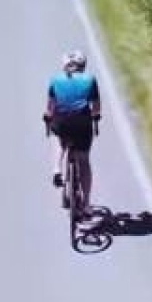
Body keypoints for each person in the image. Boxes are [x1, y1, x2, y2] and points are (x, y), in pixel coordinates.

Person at [44, 50, 102, 209]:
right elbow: (96, 108)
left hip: (62, 121)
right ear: (83, 66)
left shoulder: (55, 80)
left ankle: (57, 168)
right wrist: (95, 117)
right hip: (82, 123)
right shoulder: (90, 79)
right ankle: (86, 203)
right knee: (83, 161)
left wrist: (48, 117)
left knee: (57, 138)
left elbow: (50, 108)